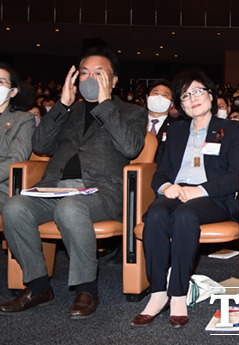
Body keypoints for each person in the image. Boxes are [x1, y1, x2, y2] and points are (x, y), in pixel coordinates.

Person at [0, 48, 147, 319]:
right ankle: (38, 285)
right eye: (85, 73)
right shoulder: (68, 110)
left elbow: (130, 147)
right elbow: (41, 145)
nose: (90, 78)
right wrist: (62, 104)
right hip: (55, 186)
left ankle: (86, 288)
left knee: (70, 208)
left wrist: (104, 104)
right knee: (14, 207)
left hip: (102, 191)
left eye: (99, 73)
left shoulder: (131, 112)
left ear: (114, 81)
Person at [130, 70, 239, 328]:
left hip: (212, 197)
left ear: (211, 95)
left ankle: (178, 294)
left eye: (197, 91)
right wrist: (166, 186)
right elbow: (159, 171)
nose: (192, 98)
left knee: (185, 215)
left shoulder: (230, 129)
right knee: (157, 213)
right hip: (177, 191)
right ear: (180, 105)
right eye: (185, 95)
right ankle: (158, 293)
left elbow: (237, 176)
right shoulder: (177, 130)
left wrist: (200, 189)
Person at [0, 63, 36, 209]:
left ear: (12, 92)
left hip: (3, 187)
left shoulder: (23, 119)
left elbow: (16, 159)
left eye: (0, 82)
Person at [146, 79, 178, 162]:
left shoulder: (176, 126)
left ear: (172, 104)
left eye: (165, 95)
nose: (159, 97)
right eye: (155, 93)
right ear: (148, 98)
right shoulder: (134, 121)